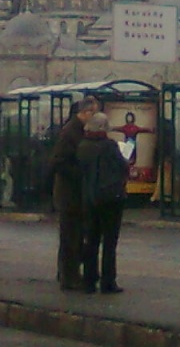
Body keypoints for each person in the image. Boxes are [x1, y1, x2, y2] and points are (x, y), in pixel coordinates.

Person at [77, 112, 130, 293]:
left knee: (91, 240)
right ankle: (108, 281)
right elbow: (123, 167)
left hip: (90, 198)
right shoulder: (110, 146)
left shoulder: (83, 146)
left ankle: (89, 280)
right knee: (109, 242)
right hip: (110, 199)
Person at [50, 95, 98, 290]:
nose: (95, 117)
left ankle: (66, 272)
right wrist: (81, 172)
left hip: (75, 193)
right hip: (69, 193)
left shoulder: (80, 131)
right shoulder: (70, 132)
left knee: (74, 235)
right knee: (71, 236)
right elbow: (58, 161)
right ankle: (69, 277)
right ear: (84, 113)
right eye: (93, 113)